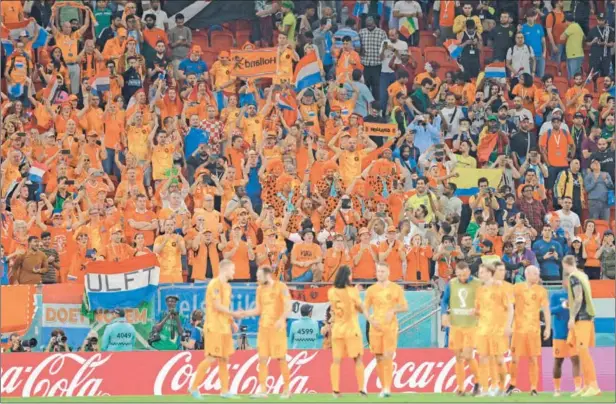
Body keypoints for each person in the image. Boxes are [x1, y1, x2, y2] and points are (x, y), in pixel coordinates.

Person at [189, 260, 243, 400]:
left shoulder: (228, 287)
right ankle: (194, 387)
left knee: (224, 359)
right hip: (214, 327)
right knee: (211, 357)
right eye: (232, 269)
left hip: (225, 327)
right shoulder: (214, 284)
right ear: (225, 270)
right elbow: (217, 306)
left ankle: (225, 390)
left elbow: (225, 306)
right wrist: (234, 315)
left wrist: (232, 322)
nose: (234, 272)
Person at [328, 265, 374, 398]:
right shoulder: (352, 291)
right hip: (351, 330)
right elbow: (360, 307)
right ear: (347, 276)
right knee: (358, 359)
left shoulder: (331, 292)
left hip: (337, 331)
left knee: (336, 361)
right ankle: (361, 390)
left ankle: (335, 391)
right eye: (350, 274)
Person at [364, 262, 408, 398]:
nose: (380, 273)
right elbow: (364, 308)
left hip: (390, 327)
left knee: (388, 355)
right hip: (375, 328)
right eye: (378, 271)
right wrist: (371, 320)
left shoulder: (396, 289)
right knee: (378, 357)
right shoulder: (371, 290)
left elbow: (405, 307)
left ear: (388, 272)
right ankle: (383, 387)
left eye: (382, 271)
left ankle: (388, 388)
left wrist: (393, 310)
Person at [507, 265, 551, 396]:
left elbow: (546, 310)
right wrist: (508, 325)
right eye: (535, 274)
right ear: (527, 274)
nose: (538, 276)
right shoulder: (517, 288)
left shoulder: (541, 291)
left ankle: (533, 388)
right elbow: (509, 306)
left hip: (534, 330)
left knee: (533, 359)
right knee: (514, 359)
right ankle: (512, 384)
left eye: (538, 274)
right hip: (518, 330)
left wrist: (548, 327)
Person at [562, 255, 601, 397]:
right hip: (587, 317)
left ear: (565, 264)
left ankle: (594, 385)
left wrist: (572, 317)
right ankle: (586, 385)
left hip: (582, 319)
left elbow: (578, 298)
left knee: (583, 352)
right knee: (579, 350)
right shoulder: (583, 275)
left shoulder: (573, 277)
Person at [440, 261, 481, 396]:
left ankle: (477, 382)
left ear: (469, 272)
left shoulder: (477, 283)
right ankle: (460, 388)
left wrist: (478, 310)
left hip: (471, 325)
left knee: (468, 356)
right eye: (459, 275)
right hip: (455, 325)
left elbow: (485, 301)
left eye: (464, 275)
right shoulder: (451, 283)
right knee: (458, 357)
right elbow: (444, 300)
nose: (462, 277)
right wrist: (444, 313)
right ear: (456, 273)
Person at [474, 263, 513, 397]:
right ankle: (485, 390)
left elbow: (510, 308)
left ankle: (502, 388)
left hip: (497, 330)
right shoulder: (480, 290)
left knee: (499, 360)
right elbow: (479, 310)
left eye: (482, 272)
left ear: (490, 273)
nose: (480, 274)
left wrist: (508, 326)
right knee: (483, 358)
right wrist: (472, 312)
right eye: (479, 272)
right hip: (483, 329)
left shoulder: (500, 288)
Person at [550, 275, 582, 397]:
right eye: (569, 280)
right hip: (559, 334)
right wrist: (562, 306)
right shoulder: (555, 295)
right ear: (563, 281)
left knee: (575, 359)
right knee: (558, 360)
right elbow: (550, 310)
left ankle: (578, 388)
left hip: (574, 333)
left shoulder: (578, 296)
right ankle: (557, 390)